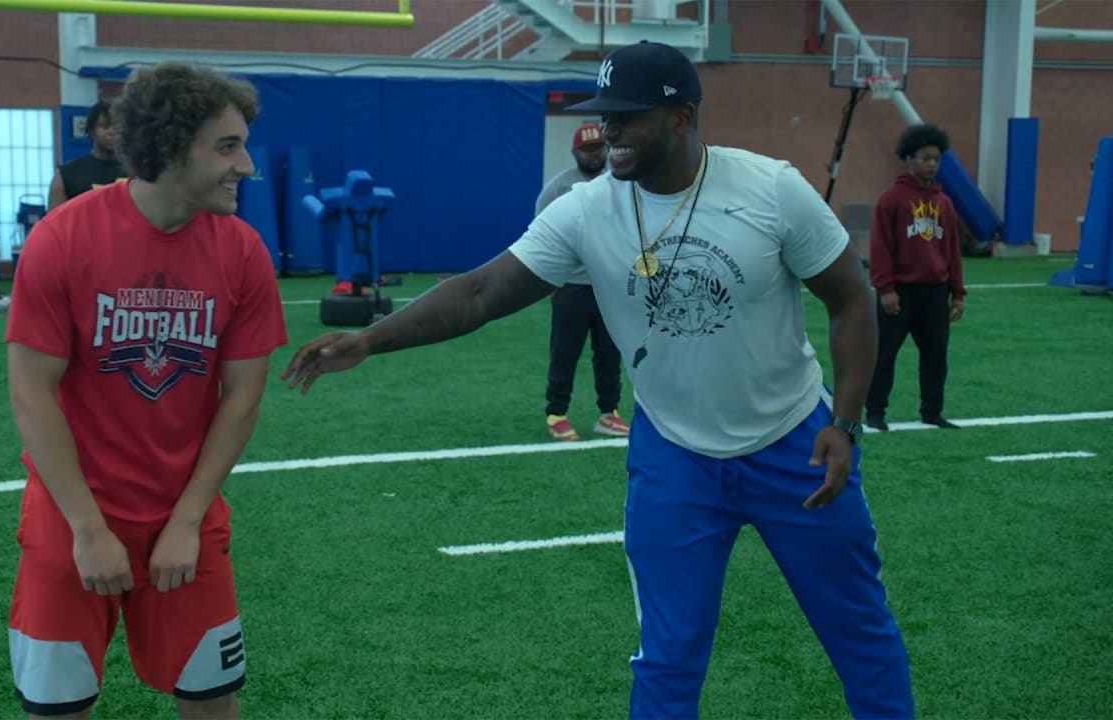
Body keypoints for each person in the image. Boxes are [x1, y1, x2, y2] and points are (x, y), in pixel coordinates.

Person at [283, 41, 913, 719]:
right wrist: (370, 339)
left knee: (857, 633)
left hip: (795, 442)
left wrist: (844, 424)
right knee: (668, 656)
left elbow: (852, 300)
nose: (607, 130)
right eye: (603, 115)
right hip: (676, 456)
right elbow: (482, 290)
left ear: (681, 117)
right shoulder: (588, 209)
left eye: (626, 115)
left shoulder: (771, 189)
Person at [5, 62, 287, 719]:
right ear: (167, 147)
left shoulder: (244, 253)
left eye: (244, 144)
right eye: (227, 147)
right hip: (73, 515)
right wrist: (86, 529)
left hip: (186, 514)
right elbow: (31, 395)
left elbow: (241, 398)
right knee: (56, 708)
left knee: (213, 702)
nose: (247, 165)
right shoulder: (62, 238)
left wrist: (187, 521)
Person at [865, 123, 966, 432]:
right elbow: (880, 247)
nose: (932, 164)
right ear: (908, 159)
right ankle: (875, 413)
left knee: (936, 357)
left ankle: (932, 412)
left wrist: (958, 293)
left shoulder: (945, 204)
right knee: (884, 355)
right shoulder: (891, 199)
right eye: (925, 158)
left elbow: (952, 251)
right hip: (900, 292)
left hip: (934, 293)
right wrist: (886, 288)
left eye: (936, 159)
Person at [536, 122, 629, 441]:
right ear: (575, 152)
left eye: (599, 148)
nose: (594, 154)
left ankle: (609, 413)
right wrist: (551, 281)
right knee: (565, 353)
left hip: (609, 287)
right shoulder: (559, 188)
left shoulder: (620, 184)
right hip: (572, 288)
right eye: (587, 150)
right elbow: (540, 237)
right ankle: (556, 413)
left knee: (609, 355)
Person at [48, 100, 126, 210]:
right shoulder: (66, 175)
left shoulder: (140, 173)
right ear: (91, 130)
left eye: (117, 127)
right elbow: (53, 222)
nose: (111, 132)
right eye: (105, 126)